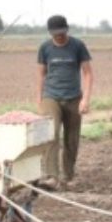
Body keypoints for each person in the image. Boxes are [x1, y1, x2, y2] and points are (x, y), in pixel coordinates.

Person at [36, 15, 93, 187]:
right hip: (51, 96)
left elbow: (88, 73)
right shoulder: (45, 48)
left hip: (74, 97)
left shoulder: (78, 46)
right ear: (50, 33)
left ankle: (68, 176)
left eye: (61, 32)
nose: (59, 36)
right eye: (55, 33)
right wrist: (39, 99)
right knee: (51, 134)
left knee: (72, 139)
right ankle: (52, 176)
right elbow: (41, 74)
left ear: (67, 29)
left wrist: (86, 99)